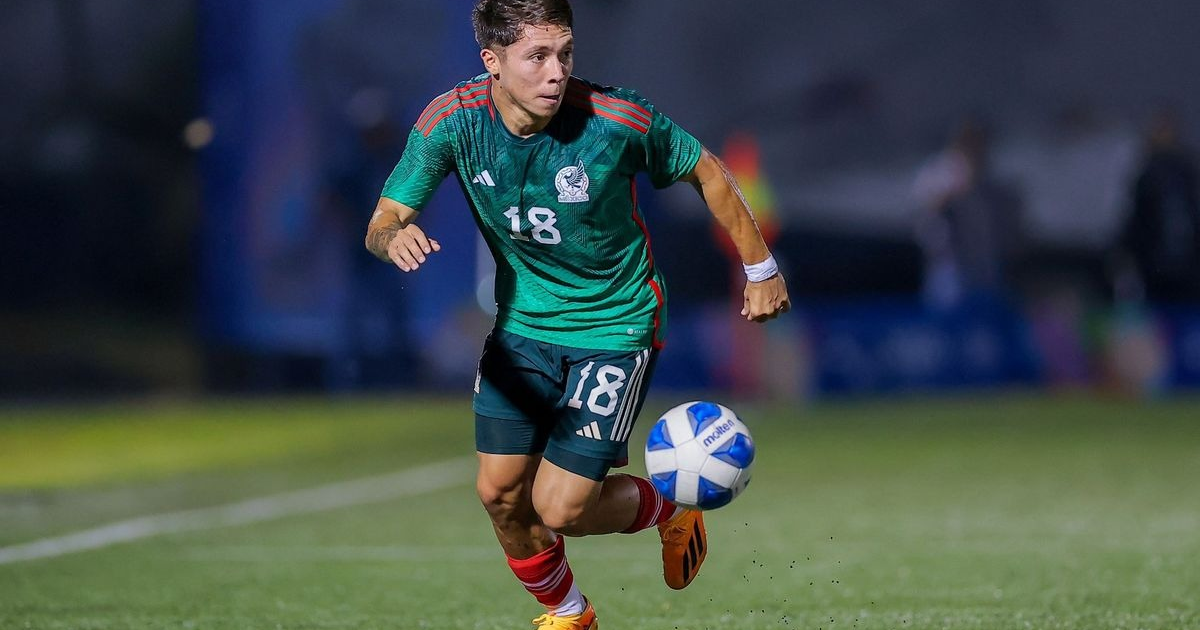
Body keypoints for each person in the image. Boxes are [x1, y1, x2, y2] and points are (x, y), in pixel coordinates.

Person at [364, 2, 789, 627]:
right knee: (502, 496)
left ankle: (672, 512)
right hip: (522, 332)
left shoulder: (614, 118)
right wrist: (393, 234)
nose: (555, 72)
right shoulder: (453, 122)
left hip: (614, 327)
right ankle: (571, 615)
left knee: (561, 509)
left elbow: (709, 172)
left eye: (564, 53)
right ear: (493, 62)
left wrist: (761, 268)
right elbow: (381, 221)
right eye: (536, 57)